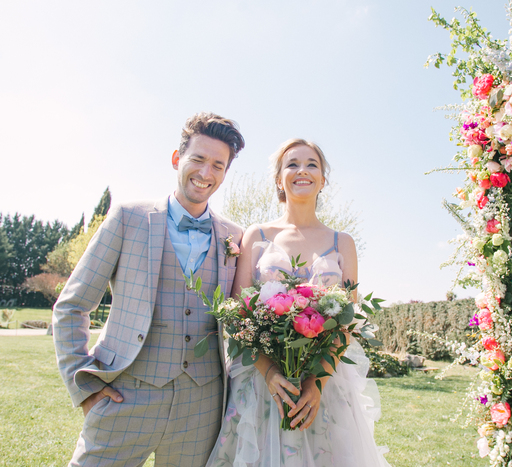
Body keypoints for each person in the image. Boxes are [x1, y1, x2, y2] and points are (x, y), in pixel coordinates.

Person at [53, 112, 245, 466]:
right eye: (198, 159)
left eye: (218, 165)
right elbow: (72, 305)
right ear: (177, 159)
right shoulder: (128, 217)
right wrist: (83, 387)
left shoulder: (235, 236)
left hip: (201, 406)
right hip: (126, 395)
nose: (206, 173)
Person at [206, 139, 390, 467]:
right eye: (291, 164)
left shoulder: (342, 243)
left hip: (325, 388)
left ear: (323, 179)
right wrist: (270, 371)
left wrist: (315, 383)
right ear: (279, 179)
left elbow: (346, 321)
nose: (301, 170)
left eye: (311, 164)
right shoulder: (256, 235)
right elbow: (236, 317)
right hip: (262, 386)